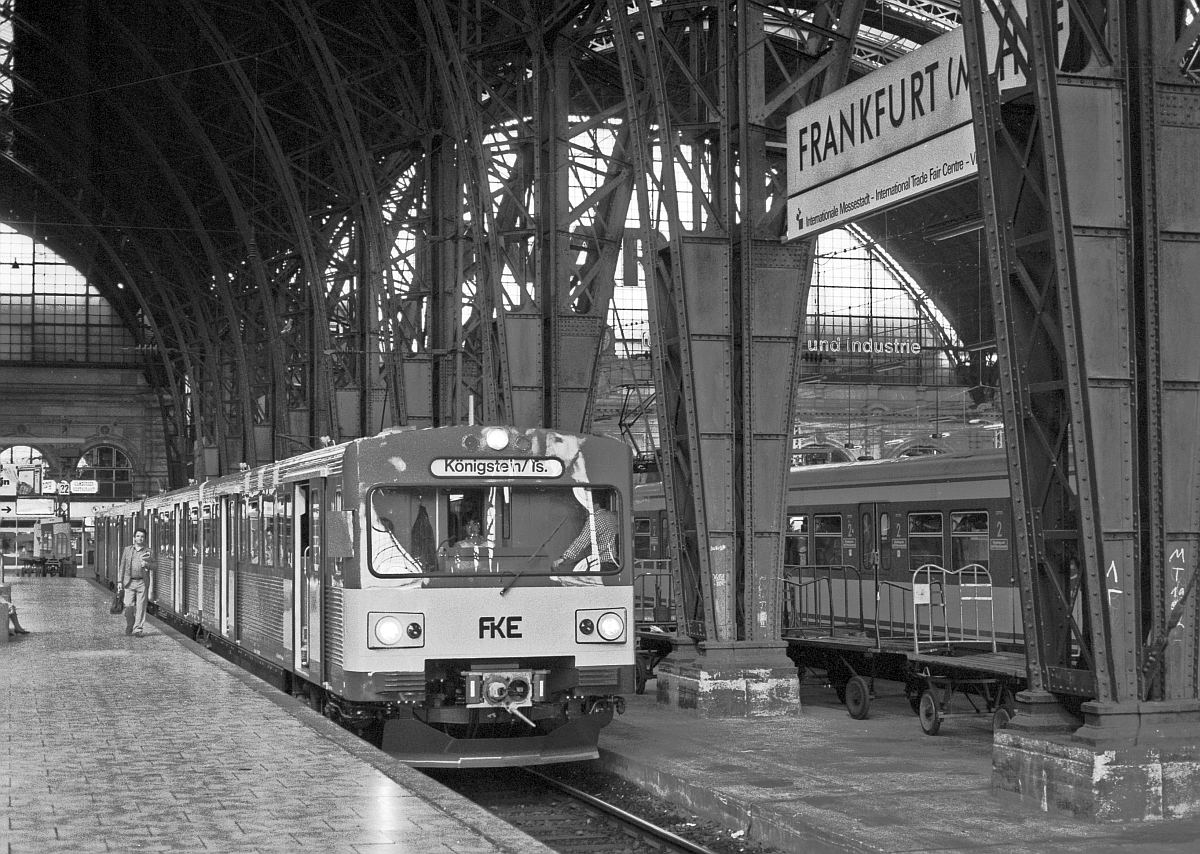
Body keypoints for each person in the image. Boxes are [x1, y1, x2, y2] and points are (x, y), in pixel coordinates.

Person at [552, 500, 619, 574]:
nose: (584, 508)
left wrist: (564, 558)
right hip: (614, 564)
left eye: (588, 504)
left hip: (601, 566)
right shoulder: (612, 517)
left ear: (596, 504)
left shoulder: (595, 520)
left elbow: (582, 541)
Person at [118, 528, 155, 637]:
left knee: (141, 606)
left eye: (142, 536)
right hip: (129, 582)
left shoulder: (149, 551)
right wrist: (120, 581)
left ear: (145, 538)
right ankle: (130, 623)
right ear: (134, 538)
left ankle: (138, 629)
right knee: (128, 605)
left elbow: (155, 566)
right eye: (138, 536)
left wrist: (147, 565)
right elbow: (122, 566)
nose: (140, 538)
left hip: (142, 582)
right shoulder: (127, 550)